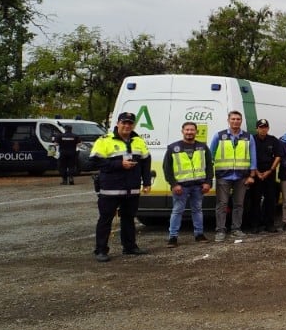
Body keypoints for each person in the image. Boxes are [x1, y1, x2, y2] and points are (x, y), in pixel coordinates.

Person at [89, 112, 152, 262]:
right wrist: (119, 164)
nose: (127, 126)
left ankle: (129, 247)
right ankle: (101, 250)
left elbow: (145, 163)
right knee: (105, 219)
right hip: (111, 189)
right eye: (124, 123)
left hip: (132, 188)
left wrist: (147, 182)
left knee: (129, 219)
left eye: (130, 123)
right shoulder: (104, 140)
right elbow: (93, 162)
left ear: (133, 125)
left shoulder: (138, 141)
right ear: (118, 124)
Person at [162, 120, 213, 247]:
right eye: (187, 130)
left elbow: (209, 167)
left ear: (196, 131)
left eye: (192, 130)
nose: (189, 132)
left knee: (197, 210)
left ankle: (199, 234)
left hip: (198, 186)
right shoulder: (173, 148)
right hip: (181, 187)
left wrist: (208, 182)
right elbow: (167, 168)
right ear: (182, 131)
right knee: (177, 211)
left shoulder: (203, 147)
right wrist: (174, 184)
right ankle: (173, 237)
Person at [210, 111, 256, 242]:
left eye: (238, 119)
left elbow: (253, 157)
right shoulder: (219, 136)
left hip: (241, 177)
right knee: (222, 204)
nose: (235, 121)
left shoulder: (248, 137)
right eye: (233, 119)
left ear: (241, 121)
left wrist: (251, 175)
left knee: (239, 204)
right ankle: (220, 231)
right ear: (228, 120)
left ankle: (236, 229)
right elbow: (210, 155)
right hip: (223, 176)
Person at [246, 119, 281, 234]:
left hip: (269, 174)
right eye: (261, 127)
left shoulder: (273, 140)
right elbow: (248, 156)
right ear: (257, 128)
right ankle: (254, 225)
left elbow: (278, 156)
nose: (263, 129)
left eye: (265, 127)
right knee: (254, 201)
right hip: (255, 173)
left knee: (270, 200)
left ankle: (269, 224)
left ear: (268, 128)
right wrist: (256, 171)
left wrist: (270, 170)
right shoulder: (252, 140)